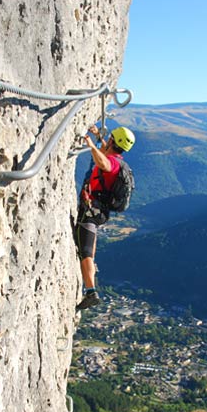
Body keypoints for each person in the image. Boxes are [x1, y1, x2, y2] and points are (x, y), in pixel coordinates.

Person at [75, 124, 135, 310]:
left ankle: (91, 291)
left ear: (112, 141)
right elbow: (105, 155)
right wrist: (97, 139)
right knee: (88, 251)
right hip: (100, 211)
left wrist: (90, 145)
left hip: (91, 212)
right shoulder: (118, 160)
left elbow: (104, 163)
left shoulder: (112, 163)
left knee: (86, 252)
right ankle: (91, 288)